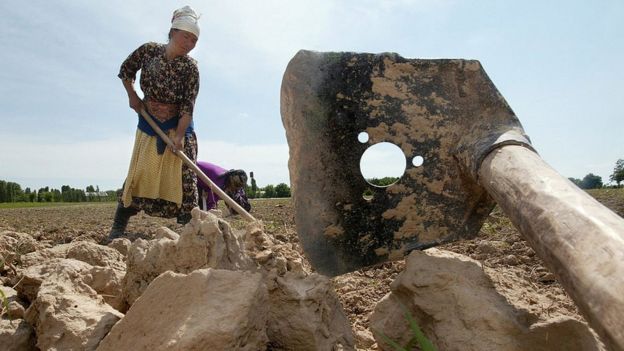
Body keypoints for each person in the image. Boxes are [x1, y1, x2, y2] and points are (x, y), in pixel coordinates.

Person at [104, 6, 201, 244]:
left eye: (194, 39)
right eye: (186, 36)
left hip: (179, 126)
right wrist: (132, 96)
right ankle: (118, 227)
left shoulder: (191, 68)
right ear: (173, 31)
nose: (190, 42)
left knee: (185, 179)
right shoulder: (148, 51)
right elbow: (126, 70)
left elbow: (188, 105)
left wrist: (178, 136)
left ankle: (188, 233)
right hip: (149, 125)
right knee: (138, 175)